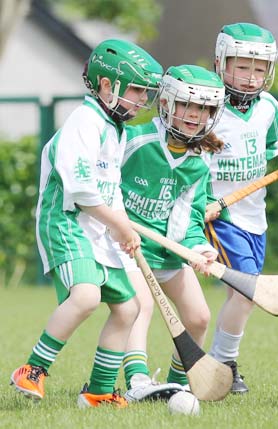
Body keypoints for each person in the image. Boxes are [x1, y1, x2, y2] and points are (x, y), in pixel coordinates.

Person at [10, 39, 163, 408]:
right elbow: (81, 193)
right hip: (65, 222)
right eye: (137, 90)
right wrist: (119, 226)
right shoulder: (84, 122)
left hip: (97, 228)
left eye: (145, 91)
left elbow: (111, 194)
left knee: (129, 308)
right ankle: (32, 369)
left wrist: (126, 228)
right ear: (108, 86)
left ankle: (99, 390)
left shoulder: (115, 129)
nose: (143, 99)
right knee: (86, 296)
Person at [204, 22, 278, 394]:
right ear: (221, 63)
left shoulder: (267, 107)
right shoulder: (208, 105)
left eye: (258, 69)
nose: (250, 77)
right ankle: (223, 363)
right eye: (241, 67)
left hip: (253, 217)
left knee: (238, 296)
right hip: (221, 214)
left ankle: (217, 363)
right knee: (247, 291)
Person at [118, 64, 227, 400]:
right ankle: (137, 383)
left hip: (166, 252)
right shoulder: (136, 140)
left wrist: (199, 249)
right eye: (187, 105)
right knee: (140, 305)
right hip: (127, 248)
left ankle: (177, 382)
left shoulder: (198, 162)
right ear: (165, 103)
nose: (194, 115)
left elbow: (190, 218)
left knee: (198, 317)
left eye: (203, 108)